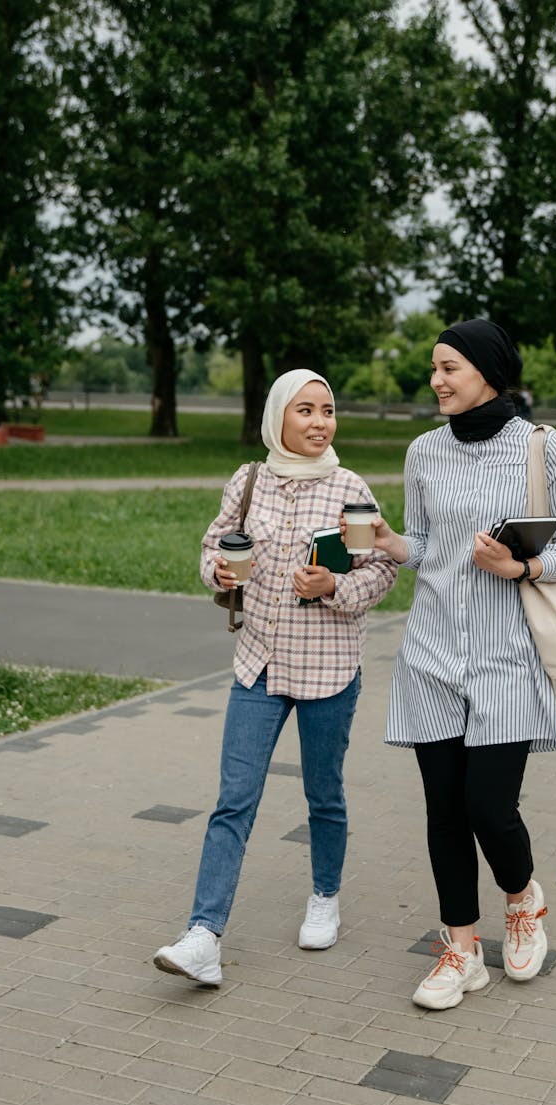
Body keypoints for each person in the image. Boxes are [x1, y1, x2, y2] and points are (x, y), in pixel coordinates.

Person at [371, 319, 556, 1010]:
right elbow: (428, 546)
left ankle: (522, 896)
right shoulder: (422, 451)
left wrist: (519, 564)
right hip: (430, 654)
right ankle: (461, 948)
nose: (436, 380)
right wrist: (390, 541)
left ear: (489, 370)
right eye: (434, 368)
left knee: (489, 807)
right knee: (444, 809)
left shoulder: (542, 448)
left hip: (503, 658)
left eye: (449, 368)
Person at [154, 369, 397, 986]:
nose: (320, 422)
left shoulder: (349, 487)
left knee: (323, 795)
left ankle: (324, 896)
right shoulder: (250, 479)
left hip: (328, 670)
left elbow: (381, 573)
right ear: (278, 419)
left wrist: (336, 585)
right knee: (234, 800)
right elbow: (214, 549)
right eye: (305, 411)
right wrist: (222, 575)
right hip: (258, 665)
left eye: (328, 410)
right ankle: (203, 937)